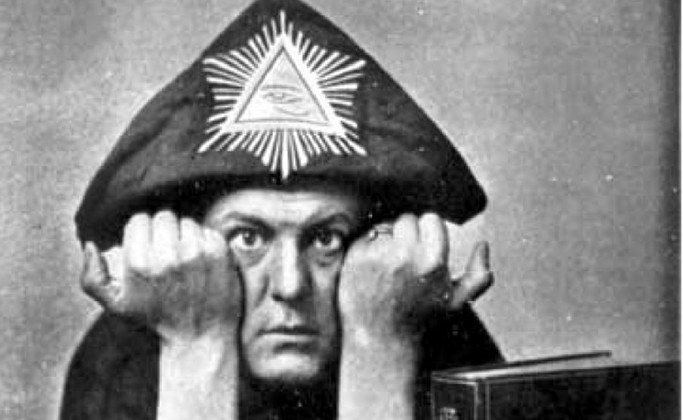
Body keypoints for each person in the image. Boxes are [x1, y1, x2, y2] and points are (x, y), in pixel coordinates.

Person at [60, 1, 503, 419]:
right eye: (248, 238)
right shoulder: (123, 356)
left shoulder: (434, 334)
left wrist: (381, 351)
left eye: (326, 239)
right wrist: (194, 347)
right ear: (189, 244)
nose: (290, 285)